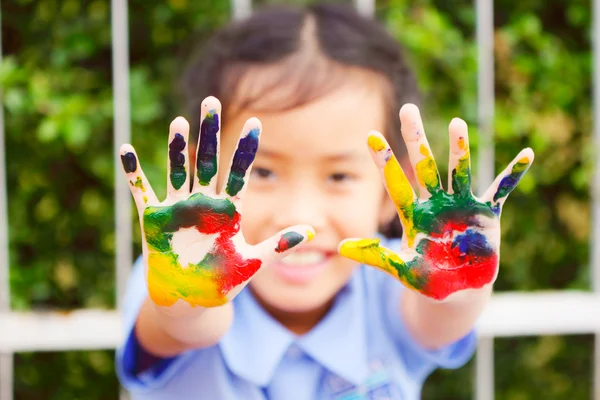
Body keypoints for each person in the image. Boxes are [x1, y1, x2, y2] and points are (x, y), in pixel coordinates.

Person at [116, 3, 533, 399]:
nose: (301, 215)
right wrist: (189, 299)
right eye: (262, 172)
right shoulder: (173, 273)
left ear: (394, 189)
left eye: (339, 176)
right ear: (200, 176)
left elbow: (440, 317)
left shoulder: (392, 282)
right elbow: (185, 322)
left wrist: (459, 280)